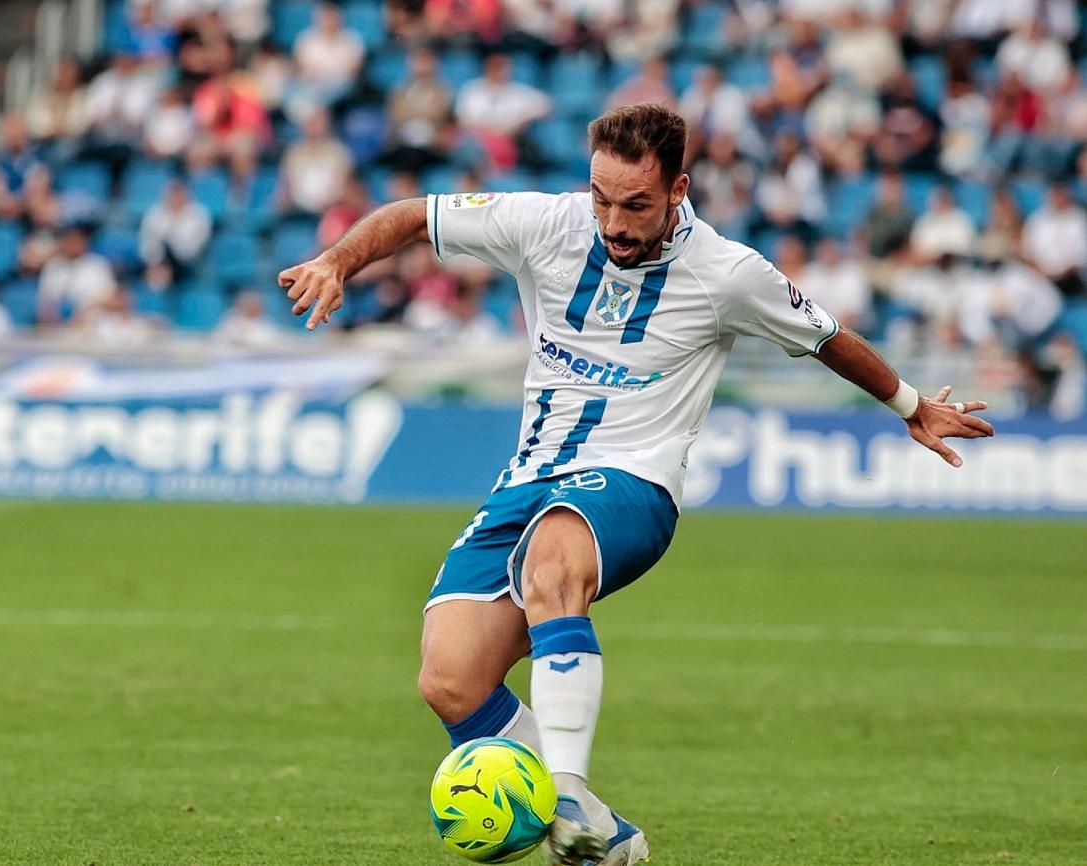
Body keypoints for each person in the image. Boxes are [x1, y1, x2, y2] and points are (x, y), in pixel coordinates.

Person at [280, 104, 995, 866]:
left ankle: (566, 792)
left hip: (634, 484)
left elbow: (826, 337)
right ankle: (603, 840)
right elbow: (414, 217)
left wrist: (912, 407)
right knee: (450, 678)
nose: (613, 222)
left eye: (636, 205)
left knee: (552, 563)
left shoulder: (727, 272)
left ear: (678, 189)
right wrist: (337, 261)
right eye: (602, 198)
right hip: (526, 479)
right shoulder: (545, 224)